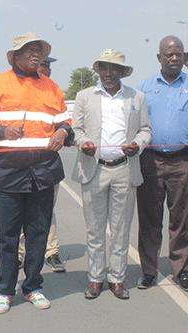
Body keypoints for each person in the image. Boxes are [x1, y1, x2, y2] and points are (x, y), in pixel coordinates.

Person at [0, 32, 74, 314]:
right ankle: (5, 290)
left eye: (38, 50)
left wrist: (64, 131)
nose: (35, 55)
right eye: (29, 50)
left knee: (38, 233)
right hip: (7, 173)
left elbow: (66, 122)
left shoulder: (52, 88)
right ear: (16, 56)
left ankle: (33, 287)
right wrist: (2, 131)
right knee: (7, 236)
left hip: (43, 171)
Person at [71, 49, 151, 299]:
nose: (108, 73)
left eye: (113, 68)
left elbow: (146, 130)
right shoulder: (85, 96)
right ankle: (96, 278)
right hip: (94, 169)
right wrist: (83, 142)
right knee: (95, 230)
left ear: (121, 72)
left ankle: (117, 279)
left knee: (120, 228)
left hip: (125, 169)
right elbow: (77, 128)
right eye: (104, 68)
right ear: (98, 71)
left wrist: (137, 144)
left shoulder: (136, 97)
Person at [136, 36, 188, 291]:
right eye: (169, 54)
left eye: (179, 54)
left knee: (181, 219)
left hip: (182, 162)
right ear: (159, 58)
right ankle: (148, 271)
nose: (175, 58)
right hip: (150, 161)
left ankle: (182, 270)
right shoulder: (143, 88)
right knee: (149, 219)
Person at [18, 56, 66, 273]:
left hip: (46, 165)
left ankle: (51, 252)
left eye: (49, 66)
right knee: (18, 211)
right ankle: (19, 254)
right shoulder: (17, 90)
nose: (48, 69)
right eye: (44, 65)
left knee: (47, 210)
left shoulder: (54, 92)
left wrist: (63, 132)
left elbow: (66, 124)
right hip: (18, 164)